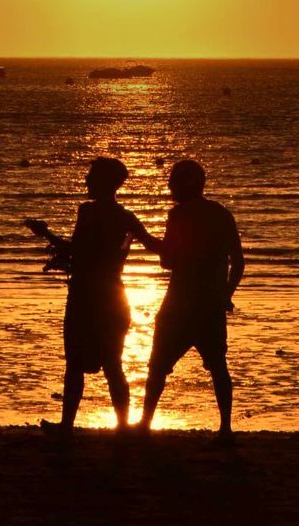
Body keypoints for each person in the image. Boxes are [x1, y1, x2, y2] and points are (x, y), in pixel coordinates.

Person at [26, 157, 160, 432]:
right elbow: (153, 245)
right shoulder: (125, 216)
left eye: (90, 176)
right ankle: (123, 426)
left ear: (102, 182)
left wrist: (47, 234)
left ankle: (67, 426)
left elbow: (78, 250)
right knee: (114, 365)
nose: (86, 180)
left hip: (86, 297)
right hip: (113, 296)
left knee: (75, 363)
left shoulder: (87, 212)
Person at [140, 159, 245, 439]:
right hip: (211, 303)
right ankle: (225, 428)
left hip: (179, 303)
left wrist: (144, 238)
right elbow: (239, 262)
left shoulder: (179, 215)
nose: (169, 186)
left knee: (158, 367)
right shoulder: (222, 214)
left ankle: (145, 424)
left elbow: (168, 261)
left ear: (187, 184)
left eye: (174, 181)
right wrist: (225, 294)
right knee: (218, 367)